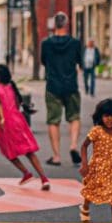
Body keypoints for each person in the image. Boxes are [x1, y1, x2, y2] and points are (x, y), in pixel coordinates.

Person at [0, 64, 49, 190]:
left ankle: (26, 173)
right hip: (18, 120)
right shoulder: (11, 86)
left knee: (8, 151)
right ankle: (44, 179)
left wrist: (2, 118)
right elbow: (16, 103)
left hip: (5, 123)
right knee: (28, 151)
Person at [40, 12, 83, 166]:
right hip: (71, 84)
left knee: (53, 120)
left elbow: (44, 61)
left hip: (53, 85)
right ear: (66, 24)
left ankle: (56, 156)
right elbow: (80, 62)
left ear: (54, 24)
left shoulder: (46, 43)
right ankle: (73, 145)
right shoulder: (75, 43)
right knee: (74, 117)